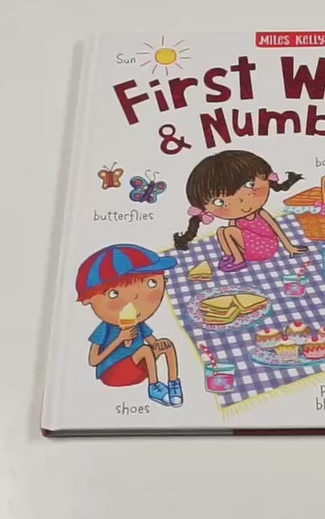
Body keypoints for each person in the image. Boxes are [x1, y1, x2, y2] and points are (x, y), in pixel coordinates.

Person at [76, 243, 183, 407]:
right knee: (145, 350)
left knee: (166, 345)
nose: (135, 299)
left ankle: (174, 384)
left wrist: (160, 344)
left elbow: (152, 341)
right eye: (114, 294)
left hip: (140, 368)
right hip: (114, 374)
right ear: (88, 300)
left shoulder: (139, 324)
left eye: (151, 283)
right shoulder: (105, 328)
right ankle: (154, 387)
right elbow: (93, 360)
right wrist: (120, 339)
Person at [171, 150, 308, 271]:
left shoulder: (260, 213)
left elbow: (276, 228)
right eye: (219, 202)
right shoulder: (234, 220)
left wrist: (289, 247)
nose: (241, 200)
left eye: (250, 185)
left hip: (266, 246)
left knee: (228, 231)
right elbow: (230, 234)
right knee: (221, 231)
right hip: (248, 249)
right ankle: (231, 256)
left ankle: (239, 260)